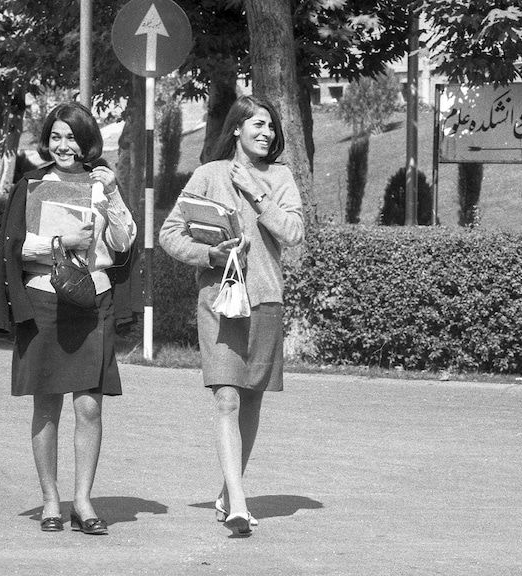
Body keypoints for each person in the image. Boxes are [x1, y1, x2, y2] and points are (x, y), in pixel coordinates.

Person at [159, 95, 304, 536]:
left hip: (264, 300)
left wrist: (258, 195)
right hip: (220, 301)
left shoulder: (279, 177)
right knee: (227, 397)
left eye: (271, 127)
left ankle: (227, 491)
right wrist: (207, 254)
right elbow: (169, 233)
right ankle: (238, 505)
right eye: (257, 124)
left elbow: (294, 233)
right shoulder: (207, 175)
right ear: (236, 128)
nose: (266, 133)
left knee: (252, 398)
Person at [0, 102, 137, 533]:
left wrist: (112, 195)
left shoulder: (103, 182)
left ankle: (84, 501)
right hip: (44, 301)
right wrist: (61, 240)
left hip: (93, 301)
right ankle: (51, 501)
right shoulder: (32, 183)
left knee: (90, 407)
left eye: (71, 136)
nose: (62, 145)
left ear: (86, 139)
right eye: (55, 136)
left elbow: (124, 243)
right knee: (46, 404)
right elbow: (15, 248)